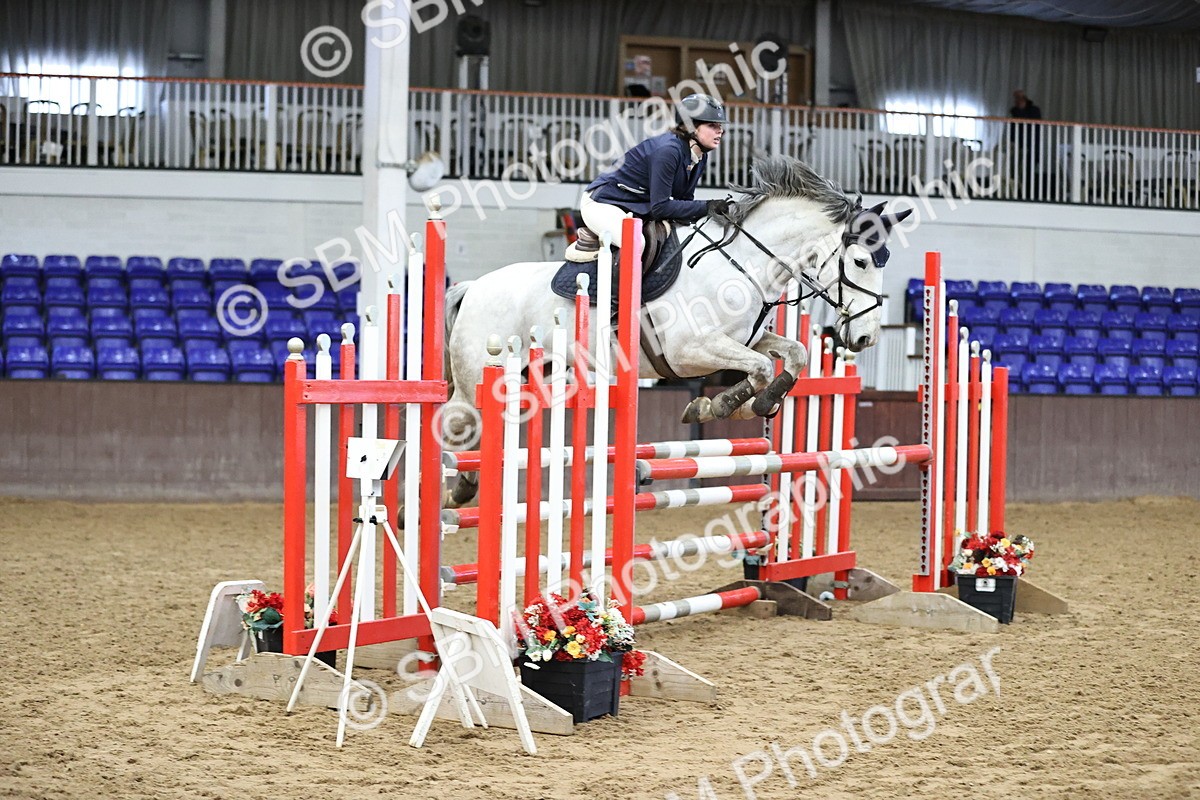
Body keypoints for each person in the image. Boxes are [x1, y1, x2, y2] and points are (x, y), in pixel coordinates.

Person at [565, 93, 732, 262]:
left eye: (720, 126)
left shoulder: (699, 156)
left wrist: (712, 211)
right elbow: (660, 207)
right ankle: (612, 280)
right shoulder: (669, 151)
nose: (720, 130)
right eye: (712, 125)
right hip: (603, 203)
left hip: (634, 206)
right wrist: (708, 206)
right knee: (636, 244)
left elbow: (684, 201)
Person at [1008, 89, 1042, 192]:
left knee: (1027, 171)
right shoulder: (1014, 111)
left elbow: (1032, 126)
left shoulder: (1034, 111)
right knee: (1014, 169)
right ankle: (1015, 190)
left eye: (1020, 98)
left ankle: (1025, 191)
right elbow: (1013, 128)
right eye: (1016, 98)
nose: (1017, 101)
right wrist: (1012, 141)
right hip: (1018, 146)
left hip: (1031, 146)